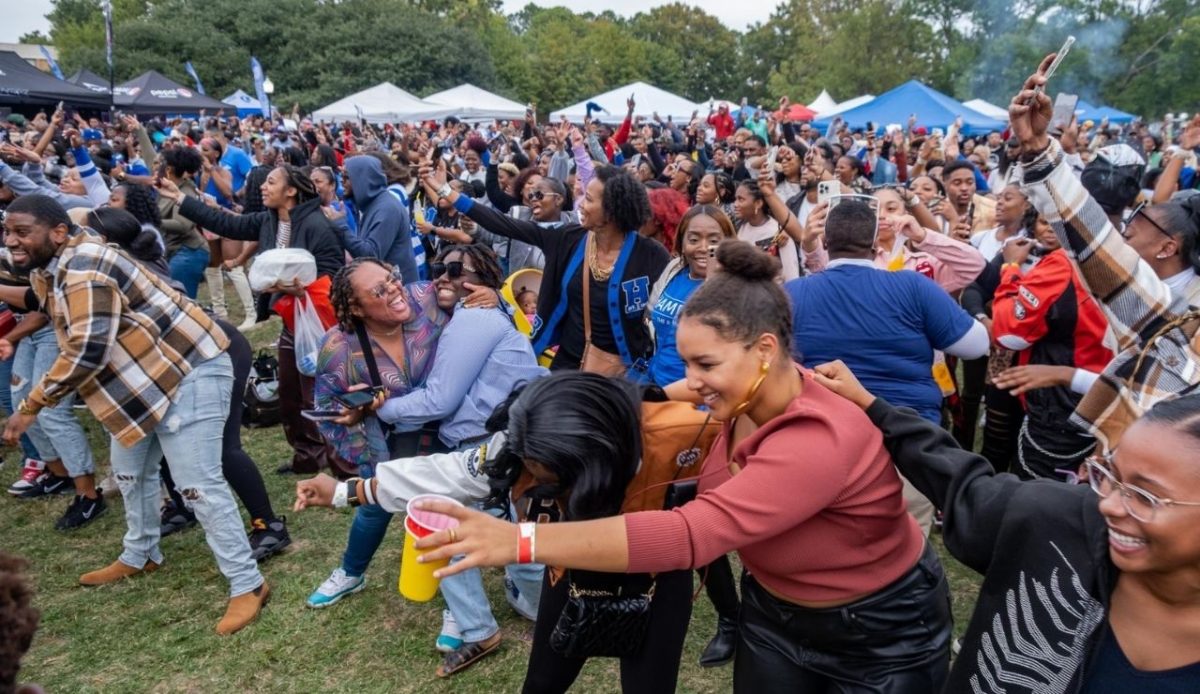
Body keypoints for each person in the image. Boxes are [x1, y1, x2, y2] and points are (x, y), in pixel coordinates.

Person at [411, 241, 954, 692]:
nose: (690, 381)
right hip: (774, 612)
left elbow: (693, 534)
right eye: (687, 362)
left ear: (765, 349)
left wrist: (520, 542)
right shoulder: (736, 403)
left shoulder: (816, 435)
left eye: (706, 363)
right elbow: (643, 400)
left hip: (878, 634)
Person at [816, 359, 1200, 693]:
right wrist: (872, 406)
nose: (1110, 505)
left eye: (1144, 497)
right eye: (1109, 476)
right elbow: (963, 485)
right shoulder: (1055, 524)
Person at [0, 194, 267, 635]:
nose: (12, 240)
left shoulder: (84, 266)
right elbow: (51, 308)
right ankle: (141, 554)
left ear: (58, 232)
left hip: (189, 369)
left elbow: (87, 349)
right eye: (8, 231)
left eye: (22, 231)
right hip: (145, 378)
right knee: (129, 471)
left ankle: (248, 583)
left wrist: (30, 406)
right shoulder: (59, 259)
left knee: (197, 484)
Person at [1008, 54, 1200, 453]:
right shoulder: (1180, 330)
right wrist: (1038, 148)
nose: (1124, 232)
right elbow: (1099, 246)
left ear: (1170, 246)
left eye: (1135, 228)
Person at [372, 243, 548, 677]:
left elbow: (440, 398)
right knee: (457, 536)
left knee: (510, 549)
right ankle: (485, 625)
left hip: (493, 448)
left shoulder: (476, 318)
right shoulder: (469, 314)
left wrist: (380, 409)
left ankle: (528, 614)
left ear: (484, 277)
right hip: (487, 443)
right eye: (439, 268)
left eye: (455, 269)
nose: (443, 277)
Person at [787, 199, 989, 534]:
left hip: (825, 442)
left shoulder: (793, 294)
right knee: (906, 553)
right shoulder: (912, 287)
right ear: (872, 244)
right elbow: (976, 345)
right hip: (908, 442)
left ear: (825, 243)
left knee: (831, 544)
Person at [157, 165, 347, 476]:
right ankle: (308, 457)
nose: (262, 187)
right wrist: (180, 198)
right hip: (291, 320)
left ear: (291, 191)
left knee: (321, 393)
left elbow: (332, 271)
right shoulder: (268, 221)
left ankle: (342, 462)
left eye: (271, 182)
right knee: (290, 396)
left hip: (319, 321)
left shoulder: (315, 224)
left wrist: (301, 289)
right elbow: (226, 223)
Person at [420, 163, 669, 375]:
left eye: (590, 200)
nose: (580, 204)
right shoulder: (567, 239)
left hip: (624, 374)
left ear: (613, 210)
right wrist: (444, 190)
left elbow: (670, 318)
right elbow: (503, 224)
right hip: (568, 368)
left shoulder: (651, 255)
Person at [305, 258, 449, 609]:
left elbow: (477, 293)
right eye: (379, 291)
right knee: (376, 502)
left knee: (447, 508)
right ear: (355, 307)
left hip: (450, 428)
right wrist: (354, 415)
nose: (395, 291)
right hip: (387, 440)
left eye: (393, 279)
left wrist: (488, 295)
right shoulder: (338, 349)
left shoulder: (428, 300)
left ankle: (457, 605)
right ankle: (351, 573)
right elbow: (328, 410)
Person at [644, 205, 742, 666]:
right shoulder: (672, 273)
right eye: (694, 238)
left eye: (714, 239)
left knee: (699, 511)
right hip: (663, 403)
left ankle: (732, 618)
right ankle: (670, 591)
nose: (703, 248)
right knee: (666, 502)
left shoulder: (734, 291)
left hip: (708, 411)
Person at [989, 216, 1114, 479]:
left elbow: (1009, 333)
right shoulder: (1120, 256)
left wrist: (1010, 268)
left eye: (1056, 219)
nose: (1050, 229)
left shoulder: (1065, 263)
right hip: (1102, 399)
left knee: (1038, 495)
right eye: (1044, 221)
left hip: (1060, 406)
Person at [340, 156, 420, 283]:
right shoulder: (372, 204)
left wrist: (340, 226)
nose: (341, 181)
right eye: (341, 175)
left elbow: (370, 256)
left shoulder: (387, 208)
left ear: (362, 179)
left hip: (401, 292)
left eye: (346, 177)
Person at [154, 145, 212, 301]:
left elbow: (183, 225)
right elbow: (149, 157)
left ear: (169, 169)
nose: (155, 167)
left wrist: (152, 220)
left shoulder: (186, 192)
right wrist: (139, 129)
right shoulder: (167, 184)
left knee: (181, 303)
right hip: (177, 251)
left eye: (159, 164)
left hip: (189, 252)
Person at [734, 180, 800, 281]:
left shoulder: (779, 233)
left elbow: (791, 276)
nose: (735, 204)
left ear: (758, 203)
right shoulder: (738, 228)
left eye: (741, 199)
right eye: (735, 199)